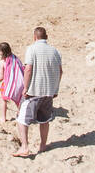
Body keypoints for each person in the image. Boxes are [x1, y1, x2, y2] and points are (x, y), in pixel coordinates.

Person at [14, 27, 62, 158]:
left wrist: (25, 88)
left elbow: (28, 69)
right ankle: (43, 145)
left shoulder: (32, 49)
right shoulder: (55, 51)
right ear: (46, 37)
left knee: (22, 119)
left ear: (35, 37)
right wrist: (55, 88)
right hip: (49, 92)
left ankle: (24, 147)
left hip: (34, 91)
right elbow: (60, 71)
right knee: (44, 120)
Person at [0, 42, 25, 122]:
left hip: (8, 85)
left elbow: (2, 77)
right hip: (19, 83)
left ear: (2, 52)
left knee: (4, 100)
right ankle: (21, 115)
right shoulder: (15, 59)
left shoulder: (2, 63)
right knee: (18, 101)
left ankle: (3, 118)